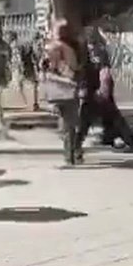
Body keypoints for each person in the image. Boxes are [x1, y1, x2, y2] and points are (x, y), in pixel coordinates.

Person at [80, 25, 133, 152]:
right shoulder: (89, 50)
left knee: (90, 117)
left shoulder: (97, 50)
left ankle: (75, 146)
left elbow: (105, 70)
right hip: (94, 88)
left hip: (99, 88)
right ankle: (109, 137)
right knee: (108, 116)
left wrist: (103, 88)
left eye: (88, 35)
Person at [42, 19, 85, 161]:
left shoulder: (51, 48)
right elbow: (77, 66)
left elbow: (45, 67)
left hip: (57, 88)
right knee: (71, 122)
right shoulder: (73, 47)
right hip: (70, 87)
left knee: (65, 122)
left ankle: (70, 151)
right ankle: (72, 151)